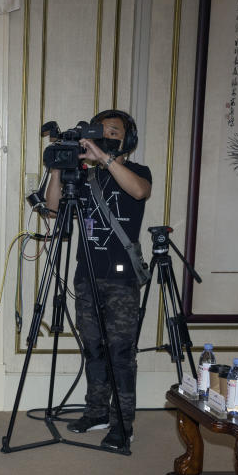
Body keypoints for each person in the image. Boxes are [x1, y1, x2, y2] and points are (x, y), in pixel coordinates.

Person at [44, 109, 152, 450]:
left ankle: (123, 423)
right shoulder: (83, 176)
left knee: (120, 352)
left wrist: (104, 157)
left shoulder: (135, 171)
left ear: (128, 139)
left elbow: (139, 192)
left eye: (114, 130)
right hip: (86, 275)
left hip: (120, 278)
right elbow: (51, 207)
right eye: (101, 129)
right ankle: (97, 411)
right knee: (93, 348)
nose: (107, 134)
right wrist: (62, 166)